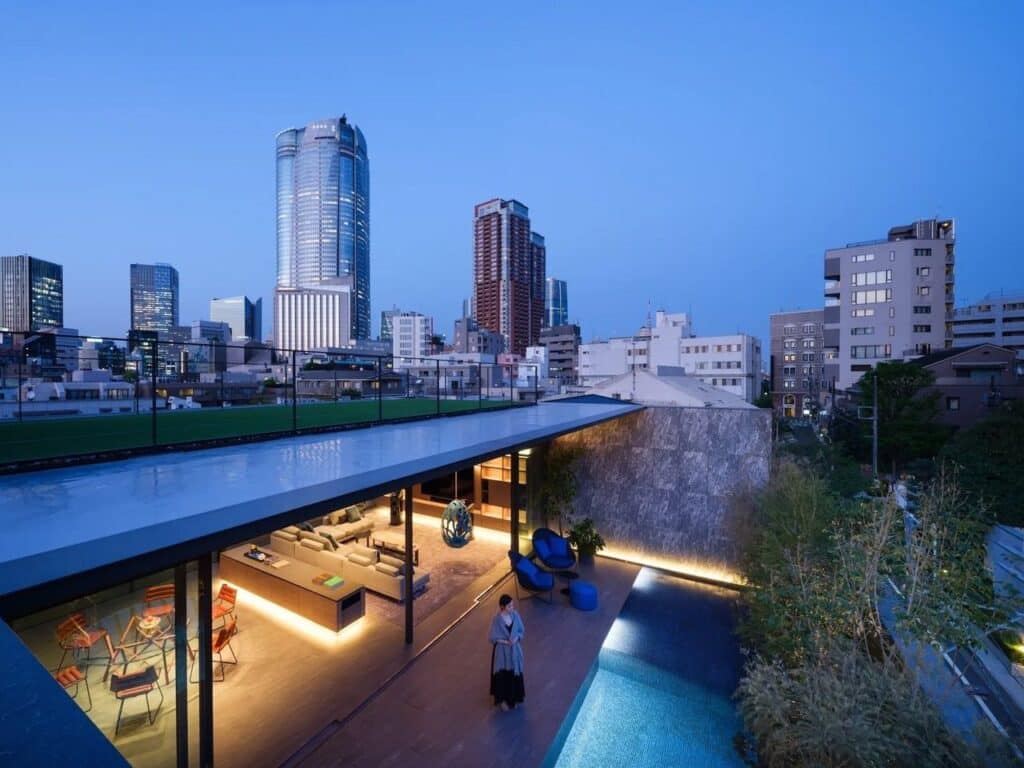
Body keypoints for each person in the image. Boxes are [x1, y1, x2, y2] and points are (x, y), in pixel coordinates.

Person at [489, 593, 525, 711]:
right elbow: (492, 637)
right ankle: (502, 700)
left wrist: (516, 638)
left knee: (514, 675)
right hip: (502, 653)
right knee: (502, 676)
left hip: (514, 650)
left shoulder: (515, 615)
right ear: (502, 607)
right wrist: (505, 642)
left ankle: (513, 698)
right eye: (509, 606)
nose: (512, 608)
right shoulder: (497, 619)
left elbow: (521, 631)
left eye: (512, 605)